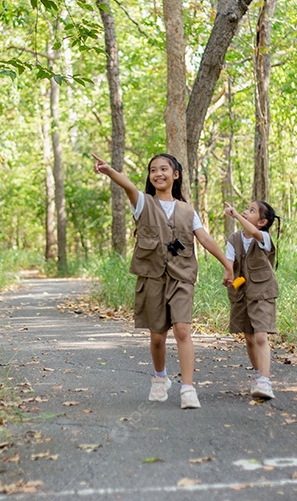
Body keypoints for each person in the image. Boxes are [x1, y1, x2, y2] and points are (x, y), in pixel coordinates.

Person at [93, 152, 234, 409]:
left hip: (182, 277)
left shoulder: (188, 210)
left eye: (164, 169)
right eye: (153, 170)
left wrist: (227, 264)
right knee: (157, 336)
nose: (158, 174)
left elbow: (205, 238)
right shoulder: (143, 204)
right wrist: (109, 171)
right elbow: (127, 185)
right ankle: (160, 378)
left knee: (182, 330)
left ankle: (188, 389)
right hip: (153, 278)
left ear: (175, 174)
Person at [223, 200, 281, 400]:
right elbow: (229, 261)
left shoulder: (263, 237)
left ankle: (265, 380)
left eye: (251, 211)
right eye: (246, 209)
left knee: (260, 336)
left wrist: (236, 215)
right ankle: (257, 374)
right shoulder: (233, 239)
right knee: (248, 336)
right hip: (241, 293)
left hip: (263, 292)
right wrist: (228, 274)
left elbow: (254, 233)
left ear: (262, 222)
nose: (245, 212)